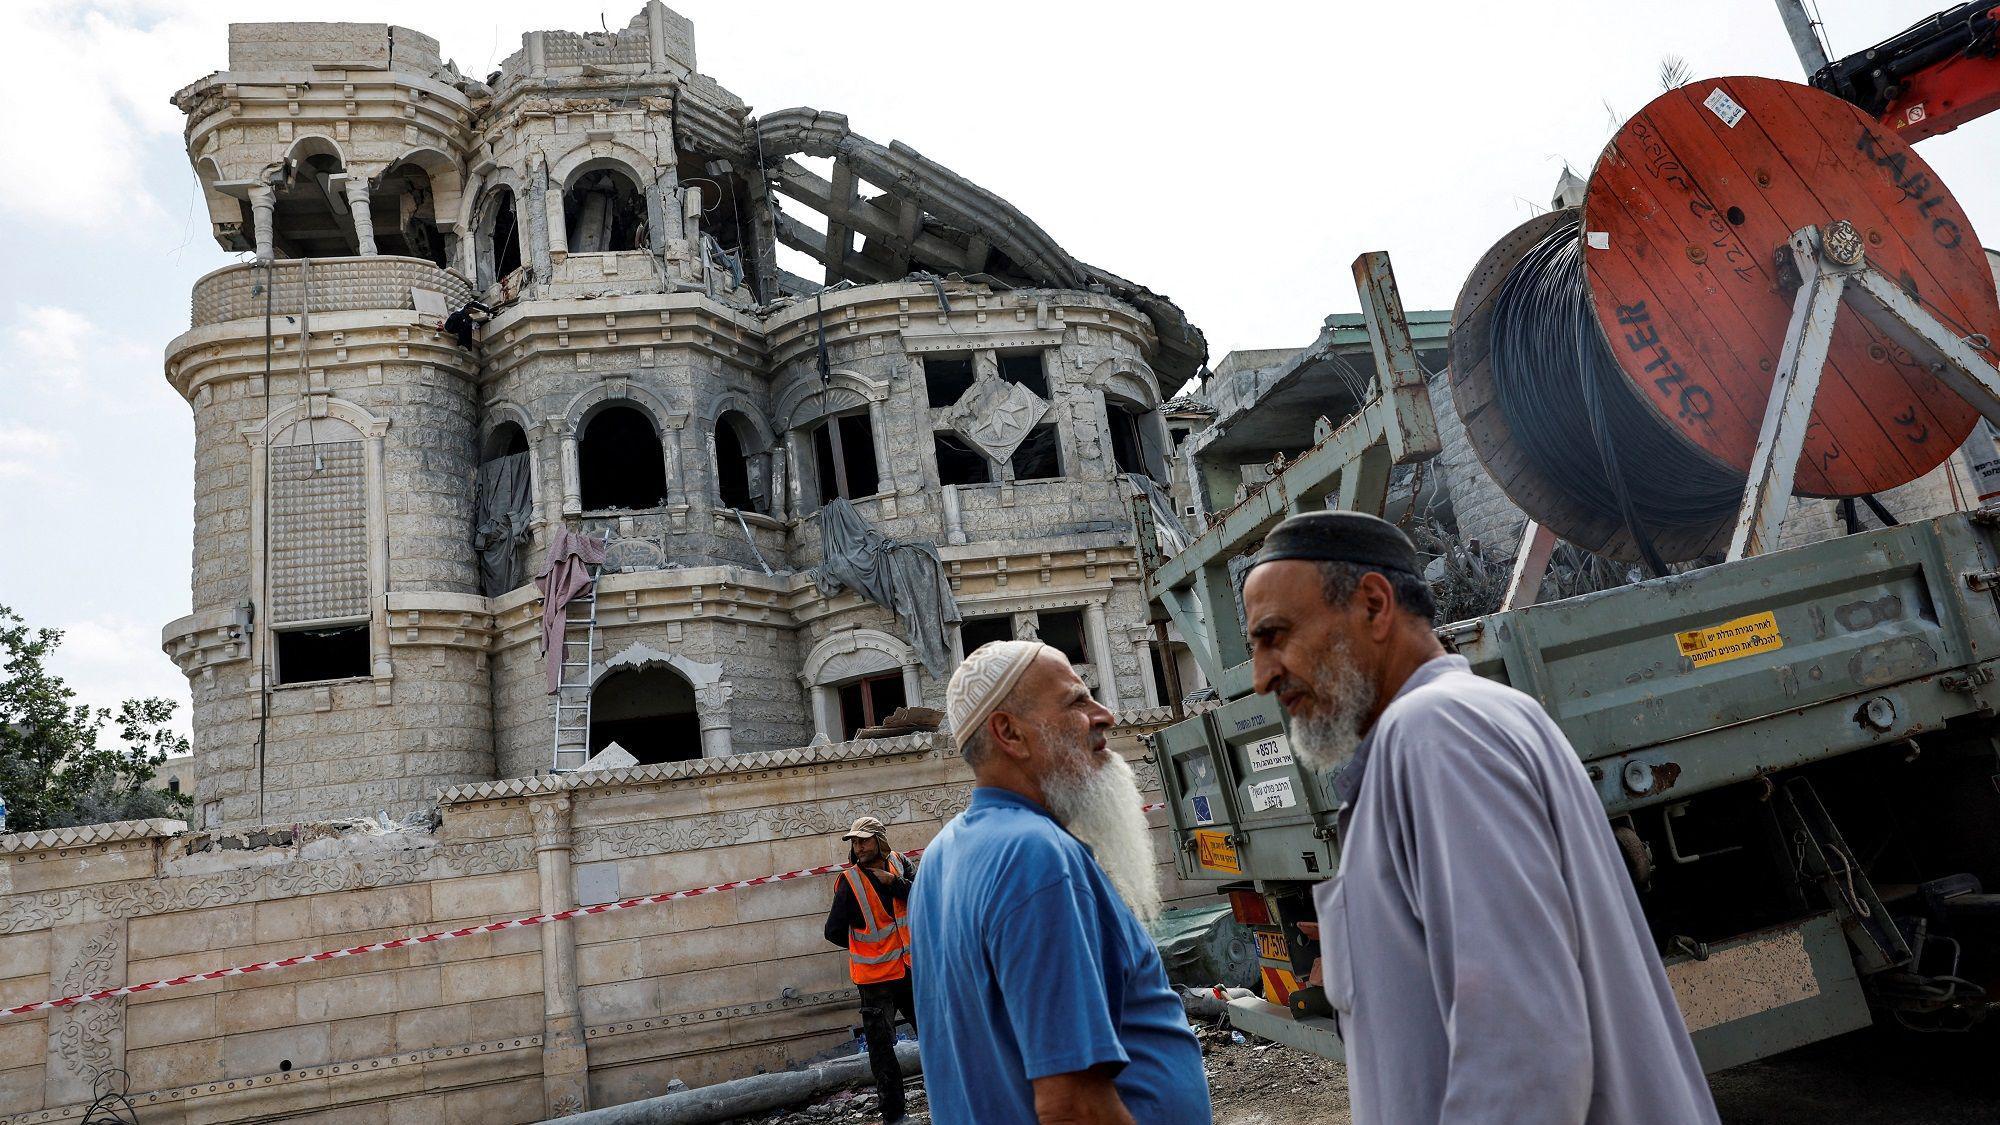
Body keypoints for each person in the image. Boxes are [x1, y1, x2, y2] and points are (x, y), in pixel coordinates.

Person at [1241, 510, 1719, 1124]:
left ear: (1373, 605)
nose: (1262, 677)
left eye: (1275, 636)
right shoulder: (1468, 719)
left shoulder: (1435, 733)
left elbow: (1521, 1051)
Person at [908, 640, 1210, 1125]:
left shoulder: (942, 855)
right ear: (1010, 733)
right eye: (1076, 701)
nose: (1105, 714)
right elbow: (1073, 1106)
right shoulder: (1035, 855)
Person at [822, 816, 920, 1124]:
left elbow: (925, 897)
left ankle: (950, 1101)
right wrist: (869, 948)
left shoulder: (900, 865)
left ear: (880, 841)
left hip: (910, 970)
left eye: (863, 840)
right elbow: (833, 931)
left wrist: (895, 884)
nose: (858, 846)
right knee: (882, 1051)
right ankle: (894, 1117)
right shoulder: (850, 882)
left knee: (935, 1038)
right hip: (876, 981)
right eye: (854, 841)